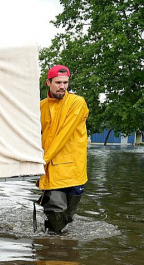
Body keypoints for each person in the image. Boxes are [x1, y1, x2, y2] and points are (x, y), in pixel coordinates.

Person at [37, 65, 89, 234]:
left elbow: (63, 136)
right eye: (58, 82)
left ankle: (53, 247)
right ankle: (53, 254)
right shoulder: (41, 107)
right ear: (48, 83)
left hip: (74, 169)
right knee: (56, 216)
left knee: (68, 217)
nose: (62, 86)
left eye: (65, 82)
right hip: (52, 171)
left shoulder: (77, 103)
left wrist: (42, 161)